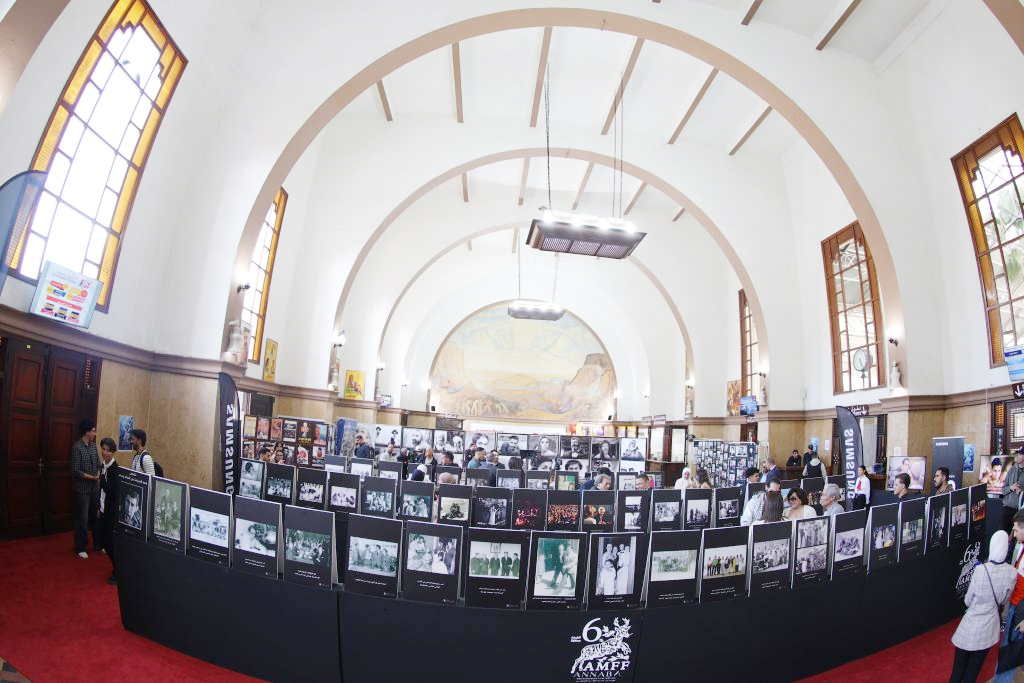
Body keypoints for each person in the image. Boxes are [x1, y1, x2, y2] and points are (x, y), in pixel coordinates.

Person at [950, 529, 1016, 683]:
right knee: (972, 673)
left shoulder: (981, 570)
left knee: (957, 671)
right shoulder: (1012, 572)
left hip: (970, 626)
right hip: (989, 628)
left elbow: (968, 600)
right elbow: (1004, 600)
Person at [996, 510, 1024, 682]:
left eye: (1016, 529)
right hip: (1015, 608)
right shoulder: (1021, 547)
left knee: (1009, 656)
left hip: (1020, 612)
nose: (1013, 533)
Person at [71, 419, 100, 559]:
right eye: (93, 431)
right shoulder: (77, 447)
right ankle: (80, 547)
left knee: (96, 516)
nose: (95, 433)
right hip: (82, 489)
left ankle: (98, 544)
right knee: (82, 519)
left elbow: (98, 464)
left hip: (94, 488)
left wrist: (98, 474)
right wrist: (91, 477)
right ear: (86, 432)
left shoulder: (94, 446)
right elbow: (75, 471)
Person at [97, 437, 120, 584]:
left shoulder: (114, 469)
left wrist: (102, 479)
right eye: (103, 449)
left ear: (113, 452)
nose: (105, 452)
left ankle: (118, 572)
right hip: (103, 508)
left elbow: (112, 492)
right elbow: (101, 491)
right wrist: (99, 507)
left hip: (111, 511)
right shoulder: (103, 466)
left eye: (108, 450)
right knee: (104, 542)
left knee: (110, 544)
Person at [1005, 450, 1024, 531]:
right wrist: (1010, 487)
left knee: (1017, 534)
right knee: (1004, 532)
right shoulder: (1011, 469)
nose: (1018, 456)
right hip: (1008, 508)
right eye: (1018, 454)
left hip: (1021, 511)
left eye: (1021, 454)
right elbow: (1003, 489)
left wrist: (1022, 492)